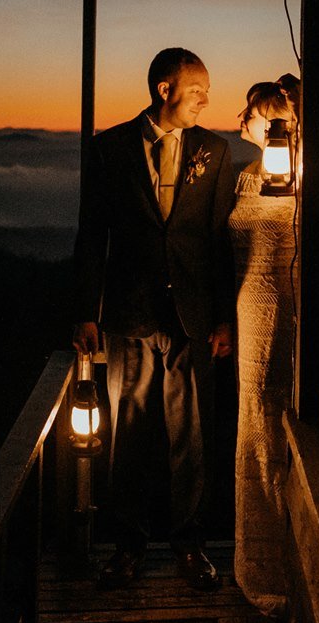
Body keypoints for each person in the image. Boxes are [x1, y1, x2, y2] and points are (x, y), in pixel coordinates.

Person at [73, 48, 237, 591]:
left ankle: (191, 546)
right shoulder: (110, 149)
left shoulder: (214, 151)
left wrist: (223, 319)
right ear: (165, 89)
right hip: (130, 314)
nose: (206, 101)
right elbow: (93, 235)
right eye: (198, 91)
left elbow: (218, 243)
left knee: (192, 438)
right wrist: (86, 312)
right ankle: (128, 546)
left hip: (193, 317)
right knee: (131, 435)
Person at [227, 77, 299, 613]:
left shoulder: (296, 174)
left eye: (250, 113)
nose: (240, 119)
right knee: (252, 422)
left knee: (274, 422)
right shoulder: (251, 175)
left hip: (283, 308)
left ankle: (286, 568)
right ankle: (259, 558)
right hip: (247, 309)